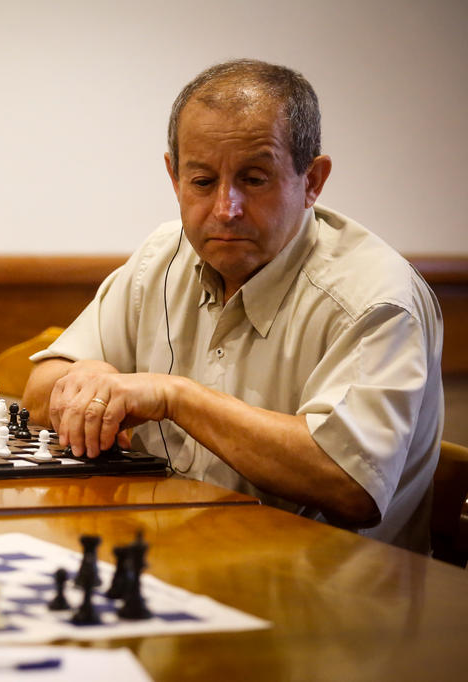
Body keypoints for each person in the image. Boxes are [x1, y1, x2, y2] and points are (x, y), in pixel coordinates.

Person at [23, 59, 444, 552]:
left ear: (312, 181)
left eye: (254, 179)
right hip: (181, 559)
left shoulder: (376, 299)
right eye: (202, 182)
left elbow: (349, 484)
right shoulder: (163, 257)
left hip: (327, 601)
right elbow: (39, 390)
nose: (226, 208)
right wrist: (88, 378)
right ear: (173, 176)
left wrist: (176, 397)